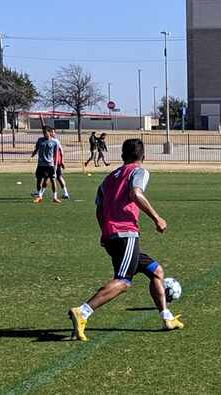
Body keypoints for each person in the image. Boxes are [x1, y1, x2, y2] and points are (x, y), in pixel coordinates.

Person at [68, 139, 183, 341]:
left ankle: (167, 317)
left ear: (122, 156)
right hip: (125, 233)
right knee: (123, 281)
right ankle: (83, 311)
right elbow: (136, 193)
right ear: (143, 156)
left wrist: (104, 230)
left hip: (111, 234)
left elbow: (99, 208)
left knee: (156, 271)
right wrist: (157, 218)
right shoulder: (139, 171)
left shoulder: (109, 178)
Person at [31, 126, 61, 203]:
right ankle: (39, 196)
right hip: (41, 164)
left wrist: (55, 165)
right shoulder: (40, 140)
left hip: (50, 165)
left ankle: (55, 197)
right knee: (39, 181)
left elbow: (56, 155)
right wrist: (33, 154)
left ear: (50, 133)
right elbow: (37, 149)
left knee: (53, 180)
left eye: (45, 132)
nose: (44, 134)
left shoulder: (55, 142)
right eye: (43, 132)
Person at [50, 129, 71, 199]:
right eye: (51, 132)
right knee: (56, 177)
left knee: (57, 177)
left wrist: (62, 161)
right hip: (51, 162)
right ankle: (65, 193)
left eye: (53, 132)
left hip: (55, 162)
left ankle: (39, 192)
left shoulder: (55, 141)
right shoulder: (50, 140)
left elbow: (61, 151)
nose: (52, 133)